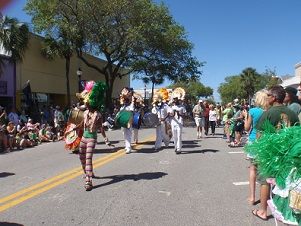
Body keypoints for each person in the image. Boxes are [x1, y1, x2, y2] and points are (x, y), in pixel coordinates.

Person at [251, 85, 299, 221]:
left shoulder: (268, 113)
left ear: (273, 98)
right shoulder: (292, 112)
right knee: (285, 182)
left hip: (270, 155)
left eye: (268, 96)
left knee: (265, 181)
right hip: (288, 153)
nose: (266, 98)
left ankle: (262, 211)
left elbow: (259, 136)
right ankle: (285, 210)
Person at [75, 80, 107, 191]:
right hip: (84, 138)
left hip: (92, 138)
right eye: (86, 102)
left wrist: (105, 138)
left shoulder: (98, 115)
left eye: (87, 102)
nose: (86, 104)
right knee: (81, 157)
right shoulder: (85, 112)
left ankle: (88, 180)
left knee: (88, 159)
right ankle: (88, 172)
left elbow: (101, 128)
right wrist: (75, 128)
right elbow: (82, 123)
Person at [241, 90, 270, 207]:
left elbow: (247, 128)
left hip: (254, 141)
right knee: (265, 171)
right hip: (266, 142)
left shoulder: (253, 111)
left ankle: (252, 197)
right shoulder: (269, 111)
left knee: (253, 169)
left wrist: (245, 116)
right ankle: (266, 196)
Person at [119, 87, 135, 154]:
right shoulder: (123, 106)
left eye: (126, 100)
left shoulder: (131, 105)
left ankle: (128, 148)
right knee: (124, 134)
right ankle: (127, 146)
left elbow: (131, 111)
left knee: (128, 134)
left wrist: (133, 101)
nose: (124, 101)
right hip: (123, 122)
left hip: (129, 122)